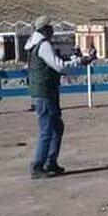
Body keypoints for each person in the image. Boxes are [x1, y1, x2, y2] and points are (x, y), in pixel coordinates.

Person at [25, 16, 74, 178]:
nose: (52, 30)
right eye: (50, 27)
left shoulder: (34, 45)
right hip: (45, 94)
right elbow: (58, 66)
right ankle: (38, 165)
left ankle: (50, 161)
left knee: (56, 127)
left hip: (44, 92)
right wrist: (76, 63)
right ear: (44, 29)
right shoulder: (44, 45)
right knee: (47, 130)